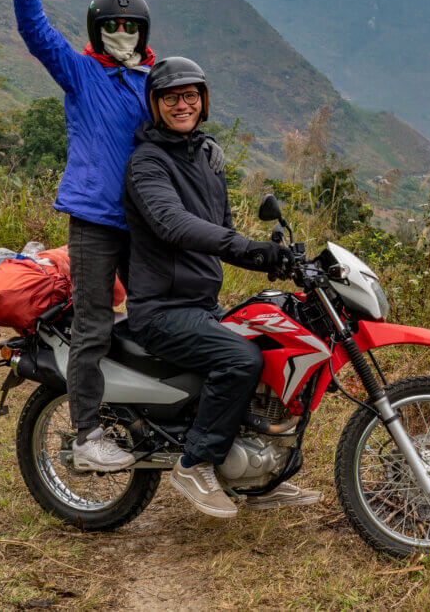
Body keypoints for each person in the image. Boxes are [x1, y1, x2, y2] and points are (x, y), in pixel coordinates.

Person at [9, 0, 225, 472]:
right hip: (96, 218)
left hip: (147, 220)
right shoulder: (81, 73)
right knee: (95, 322)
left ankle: (158, 413)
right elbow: (36, 32)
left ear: (145, 33)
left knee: (168, 312)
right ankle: (84, 434)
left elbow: (180, 115)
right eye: (112, 28)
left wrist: (207, 148)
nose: (122, 36)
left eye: (131, 28)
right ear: (97, 30)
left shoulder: (153, 79)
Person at [123, 56, 322, 518]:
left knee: (272, 342)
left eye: (190, 95)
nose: (182, 104)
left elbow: (222, 233)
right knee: (239, 359)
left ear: (203, 101)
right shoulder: (146, 163)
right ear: (155, 105)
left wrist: (274, 261)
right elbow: (173, 225)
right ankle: (195, 463)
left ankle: (256, 479)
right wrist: (251, 247)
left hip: (200, 304)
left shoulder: (207, 160)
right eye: (170, 97)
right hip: (161, 310)